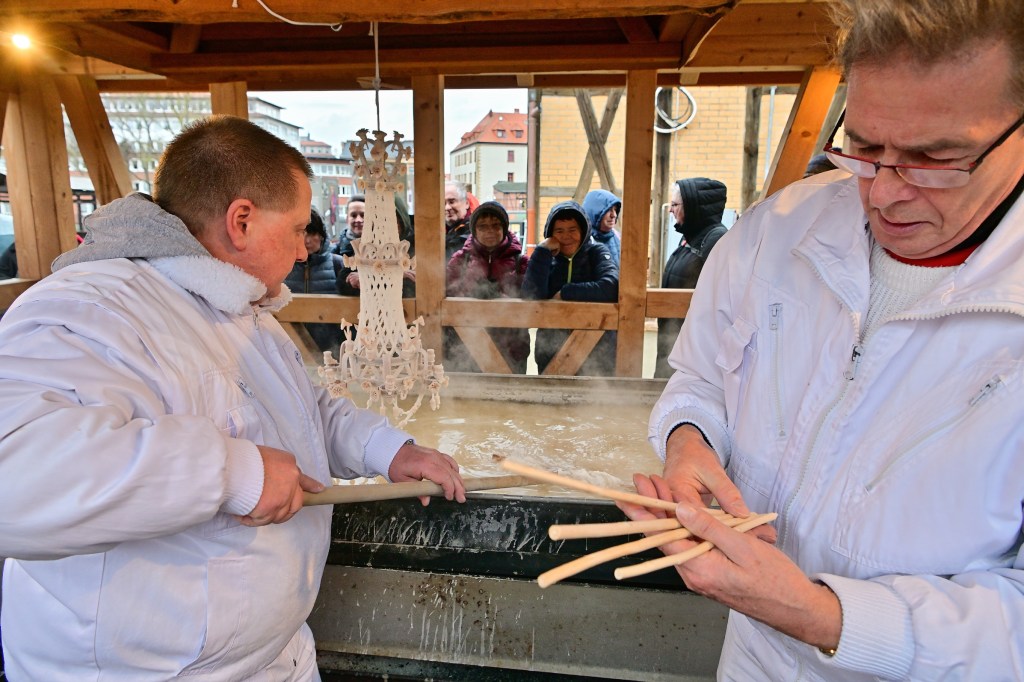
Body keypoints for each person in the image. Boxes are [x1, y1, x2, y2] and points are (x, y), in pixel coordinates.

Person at [621, 1, 1024, 679]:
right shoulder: (777, 232)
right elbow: (701, 377)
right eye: (863, 147)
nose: (884, 194)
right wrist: (690, 439)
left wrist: (823, 616)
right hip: (751, 662)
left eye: (934, 158)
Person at [0, 115, 467, 681]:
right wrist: (230, 473)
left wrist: (388, 450)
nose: (304, 252)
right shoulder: (90, 308)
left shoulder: (238, 304)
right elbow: (17, 476)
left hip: (273, 655)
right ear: (241, 221)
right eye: (296, 229)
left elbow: (301, 409)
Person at [522, 200, 618, 375]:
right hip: (550, 352)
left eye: (572, 230)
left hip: (596, 353)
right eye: (559, 231)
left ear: (583, 231)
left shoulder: (597, 252)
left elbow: (611, 286)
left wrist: (565, 293)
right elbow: (530, 295)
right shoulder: (547, 259)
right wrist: (541, 252)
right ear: (550, 234)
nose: (566, 236)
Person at [653, 177, 728, 378]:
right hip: (673, 340)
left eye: (675, 205)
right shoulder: (689, 236)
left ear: (693, 207)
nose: (670, 210)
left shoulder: (715, 240)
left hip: (694, 354)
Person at [445, 201, 530, 373]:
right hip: (466, 348)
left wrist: (498, 298)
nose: (489, 231)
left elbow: (531, 300)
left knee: (511, 390)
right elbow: (445, 292)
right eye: (482, 226)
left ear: (504, 228)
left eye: (496, 225)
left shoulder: (520, 262)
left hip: (511, 349)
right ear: (474, 230)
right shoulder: (460, 260)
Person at [284, 206, 344, 353]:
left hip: (332, 352)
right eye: (301, 233)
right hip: (290, 350)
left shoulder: (338, 264)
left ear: (321, 235)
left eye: (312, 233)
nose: (307, 240)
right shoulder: (281, 267)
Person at [337, 194, 415, 299]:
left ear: (401, 221)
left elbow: (409, 288)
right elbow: (343, 282)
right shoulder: (370, 247)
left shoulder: (417, 246)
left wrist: (370, 279)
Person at [582, 188, 622, 267]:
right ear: (594, 212)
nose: (614, 215)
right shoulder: (582, 242)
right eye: (609, 210)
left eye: (615, 210)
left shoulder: (618, 237)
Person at [444, 181, 472, 261]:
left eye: (452, 202)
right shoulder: (445, 228)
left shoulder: (472, 230)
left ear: (466, 203)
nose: (447, 208)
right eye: (443, 203)